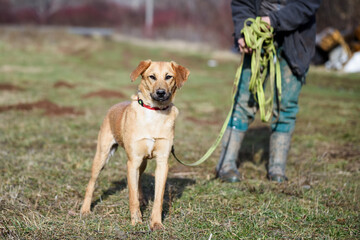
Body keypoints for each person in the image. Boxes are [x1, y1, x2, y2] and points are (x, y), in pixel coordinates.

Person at [216, 0, 322, 183]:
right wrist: (243, 30)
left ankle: (277, 169)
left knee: (286, 105)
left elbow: (307, 4)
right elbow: (242, 3)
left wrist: (273, 20)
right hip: (257, 38)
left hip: (297, 39)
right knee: (244, 101)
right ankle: (225, 164)